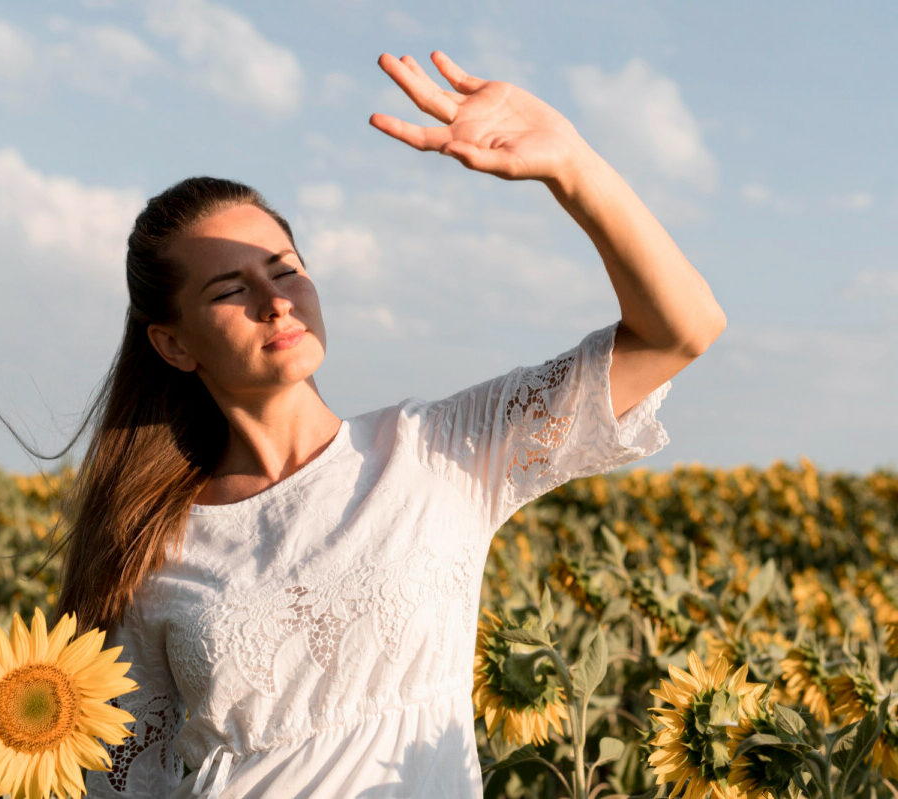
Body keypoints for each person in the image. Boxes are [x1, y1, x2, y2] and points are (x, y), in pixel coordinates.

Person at [69, 51, 725, 798]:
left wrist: (570, 165)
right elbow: (118, 780)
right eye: (231, 288)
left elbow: (683, 329)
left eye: (284, 268)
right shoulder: (153, 545)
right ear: (173, 342)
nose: (275, 300)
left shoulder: (440, 449)